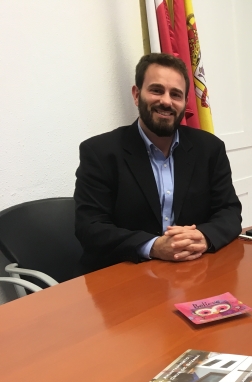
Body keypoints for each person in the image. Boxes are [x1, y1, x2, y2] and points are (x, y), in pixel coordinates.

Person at [74, 53, 242, 272]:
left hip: (192, 272)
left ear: (184, 103)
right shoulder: (99, 152)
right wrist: (154, 247)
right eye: (156, 90)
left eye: (176, 94)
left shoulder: (210, 149)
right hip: (125, 276)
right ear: (136, 95)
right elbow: (90, 227)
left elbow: (229, 211)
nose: (166, 101)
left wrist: (204, 236)